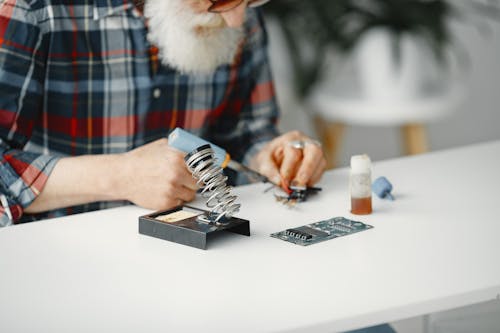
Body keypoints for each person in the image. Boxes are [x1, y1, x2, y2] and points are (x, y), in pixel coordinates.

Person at [0, 0, 327, 226]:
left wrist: (269, 156)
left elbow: (245, 131)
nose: (238, 20)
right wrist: (120, 176)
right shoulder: (32, 9)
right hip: (63, 254)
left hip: (199, 249)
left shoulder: (238, 11)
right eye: (216, 1)